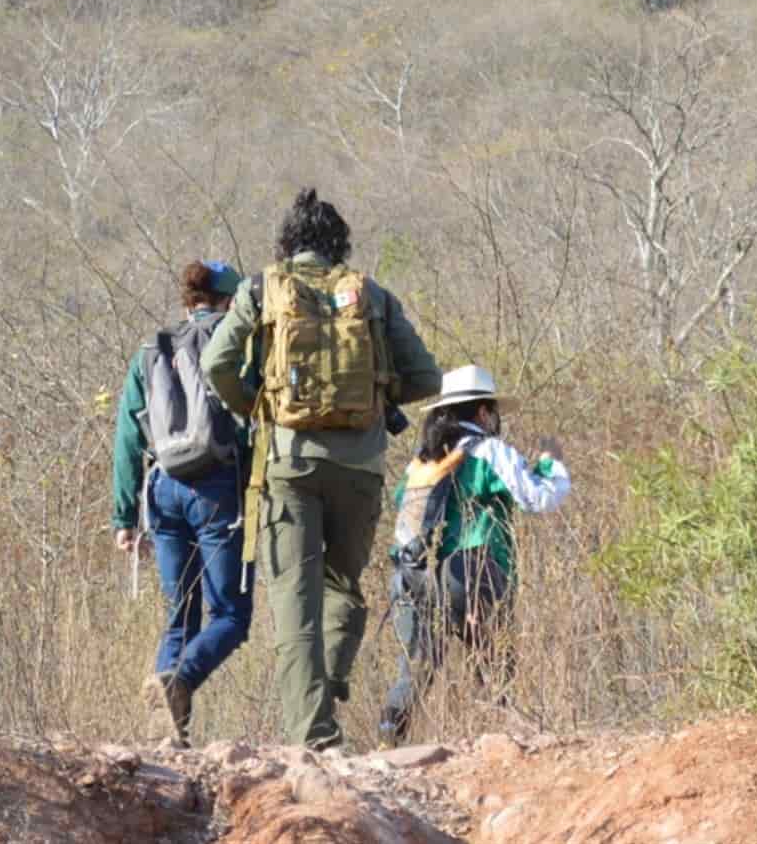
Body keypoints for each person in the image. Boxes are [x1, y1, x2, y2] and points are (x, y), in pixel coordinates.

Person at [203, 189, 441, 750]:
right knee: (342, 587)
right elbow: (427, 378)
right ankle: (329, 680)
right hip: (359, 468)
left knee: (294, 604)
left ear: (287, 243)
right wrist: (378, 396)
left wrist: (254, 405)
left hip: (288, 465)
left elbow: (216, 363)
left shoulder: (261, 289)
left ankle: (315, 737)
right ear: (340, 245)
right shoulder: (372, 295)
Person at [377, 364, 571, 744]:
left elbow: (404, 512)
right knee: (495, 664)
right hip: (473, 572)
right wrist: (552, 462)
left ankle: (387, 738)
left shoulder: (420, 464)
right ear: (483, 412)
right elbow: (541, 497)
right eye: (493, 411)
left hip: (411, 579)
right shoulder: (489, 452)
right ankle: (499, 746)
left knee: (415, 672)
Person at [111, 259, 252, 747]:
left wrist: (123, 514)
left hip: (162, 490)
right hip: (216, 490)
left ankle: (167, 739)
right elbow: (251, 420)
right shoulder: (234, 344)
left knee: (180, 612)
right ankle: (181, 679)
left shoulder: (152, 350)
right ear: (229, 303)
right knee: (231, 615)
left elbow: (129, 434)